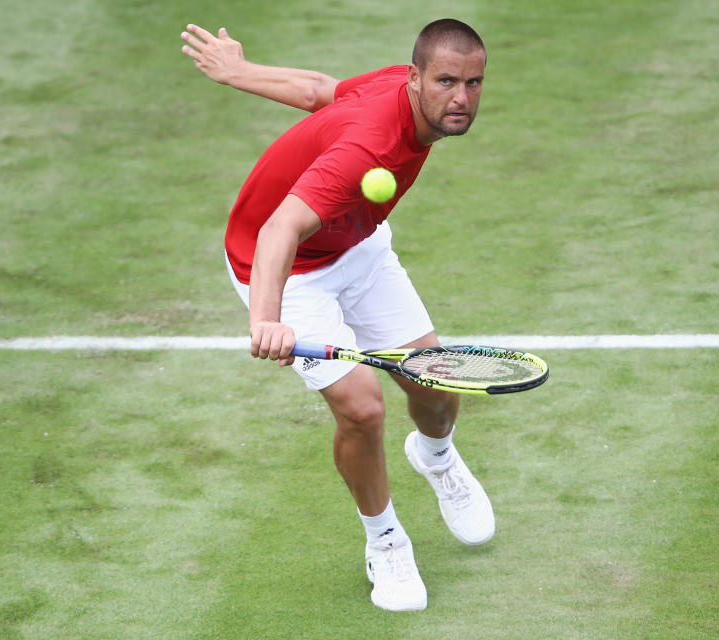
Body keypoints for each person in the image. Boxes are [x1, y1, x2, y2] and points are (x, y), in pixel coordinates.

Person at [181, 18, 491, 612]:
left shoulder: (391, 88)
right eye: (447, 81)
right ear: (415, 78)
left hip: (358, 247)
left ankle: (437, 457)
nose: (460, 99)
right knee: (362, 406)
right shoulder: (368, 149)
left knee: (435, 383)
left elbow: (321, 89)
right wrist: (265, 320)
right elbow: (280, 230)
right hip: (285, 268)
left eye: (473, 83)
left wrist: (240, 71)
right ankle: (386, 541)